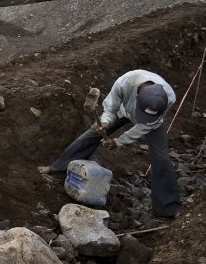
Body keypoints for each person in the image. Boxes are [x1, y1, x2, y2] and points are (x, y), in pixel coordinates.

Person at [41, 69, 181, 218]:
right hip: (122, 110)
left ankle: (168, 208)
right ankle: (57, 166)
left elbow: (144, 126)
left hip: (151, 123)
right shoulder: (125, 83)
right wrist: (106, 123)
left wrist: (118, 142)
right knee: (94, 132)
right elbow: (110, 109)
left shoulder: (169, 97)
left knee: (162, 158)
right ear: (137, 95)